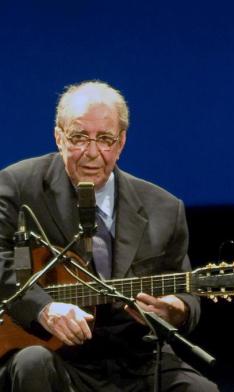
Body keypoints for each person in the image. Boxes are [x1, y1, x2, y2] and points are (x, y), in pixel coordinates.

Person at [0, 81, 218, 391]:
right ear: (58, 137)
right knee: (31, 363)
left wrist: (176, 309)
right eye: (78, 138)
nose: (92, 152)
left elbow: (185, 290)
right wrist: (43, 308)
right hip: (53, 355)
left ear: (121, 143)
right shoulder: (17, 186)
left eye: (104, 139)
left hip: (136, 359)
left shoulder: (164, 208)